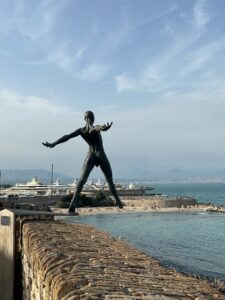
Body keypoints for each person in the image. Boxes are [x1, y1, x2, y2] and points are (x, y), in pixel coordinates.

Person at [42, 111, 123, 214]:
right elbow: (99, 128)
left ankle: (72, 204)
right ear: (92, 118)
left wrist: (54, 144)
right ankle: (118, 201)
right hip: (100, 155)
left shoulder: (81, 130)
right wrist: (104, 128)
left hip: (90, 155)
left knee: (82, 180)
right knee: (109, 180)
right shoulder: (94, 128)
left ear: (85, 119)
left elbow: (67, 136)